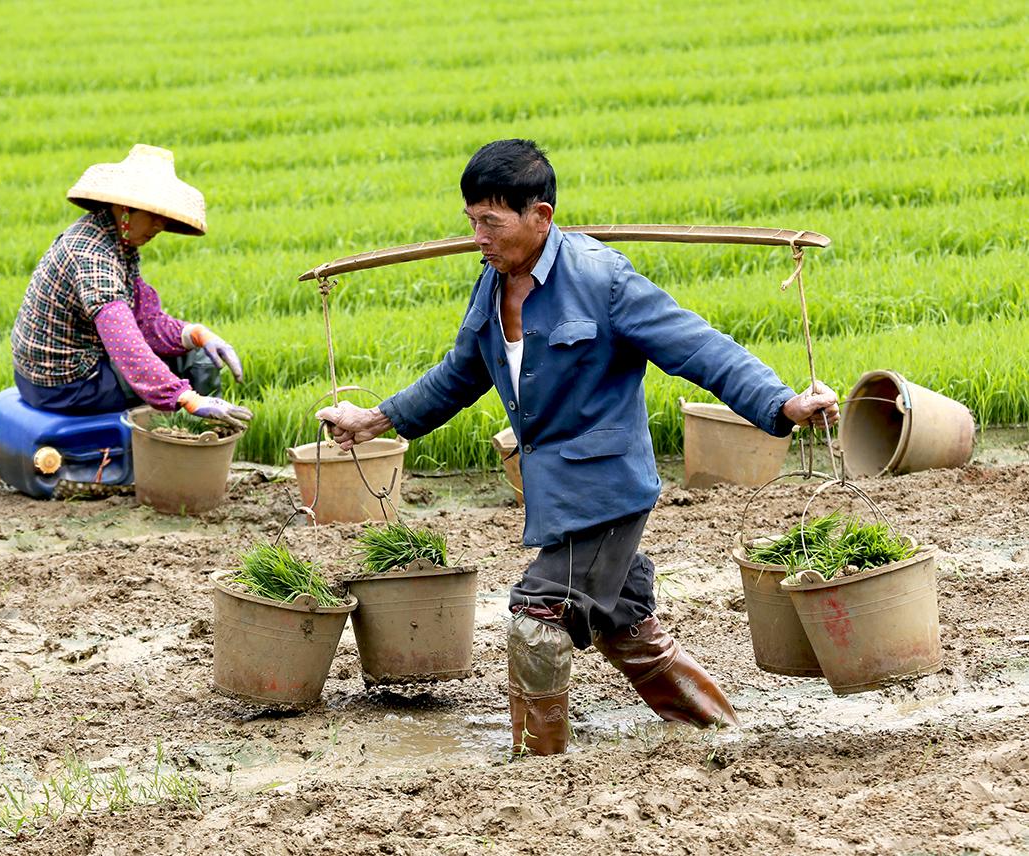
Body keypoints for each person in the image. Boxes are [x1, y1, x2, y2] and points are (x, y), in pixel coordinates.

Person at [317, 139, 839, 755]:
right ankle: (718, 731)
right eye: (471, 221)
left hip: (606, 490)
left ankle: (539, 766)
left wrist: (781, 404)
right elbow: (459, 374)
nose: (478, 236)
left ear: (541, 217)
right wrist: (375, 419)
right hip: (555, 492)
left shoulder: (603, 280)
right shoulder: (490, 287)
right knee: (624, 624)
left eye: (492, 221)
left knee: (537, 618)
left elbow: (699, 347)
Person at [11, 144, 254, 429]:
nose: (159, 226)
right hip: (67, 385)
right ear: (126, 208)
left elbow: (144, 321)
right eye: (152, 215)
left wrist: (196, 333)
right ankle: (198, 438)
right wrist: (185, 397)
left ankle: (201, 434)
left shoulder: (110, 238)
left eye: (163, 217)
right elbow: (125, 342)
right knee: (194, 364)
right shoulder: (94, 258)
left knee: (195, 349)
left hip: (47, 376)